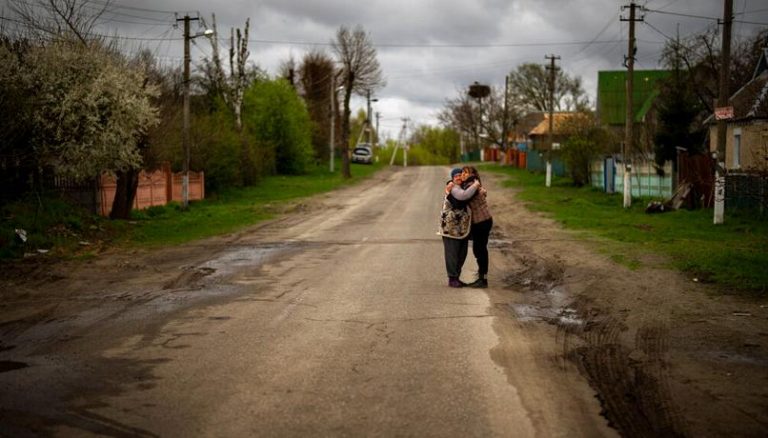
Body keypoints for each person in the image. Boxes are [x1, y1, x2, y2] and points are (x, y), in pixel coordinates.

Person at [438, 168, 480, 288]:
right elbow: (462, 199)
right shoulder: (454, 189)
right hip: (450, 228)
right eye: (455, 176)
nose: (458, 177)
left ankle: (456, 277)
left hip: (461, 229)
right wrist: (476, 185)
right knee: (452, 254)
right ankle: (452, 278)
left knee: (462, 253)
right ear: (452, 178)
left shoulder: (462, 187)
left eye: (459, 175)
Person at [462, 166, 493, 288]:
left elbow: (463, 197)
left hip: (482, 222)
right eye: (462, 172)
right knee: (478, 249)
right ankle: (481, 275)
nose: (463, 174)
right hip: (481, 222)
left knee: (480, 250)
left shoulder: (471, 186)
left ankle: (483, 279)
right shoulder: (472, 184)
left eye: (466, 172)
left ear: (472, 174)